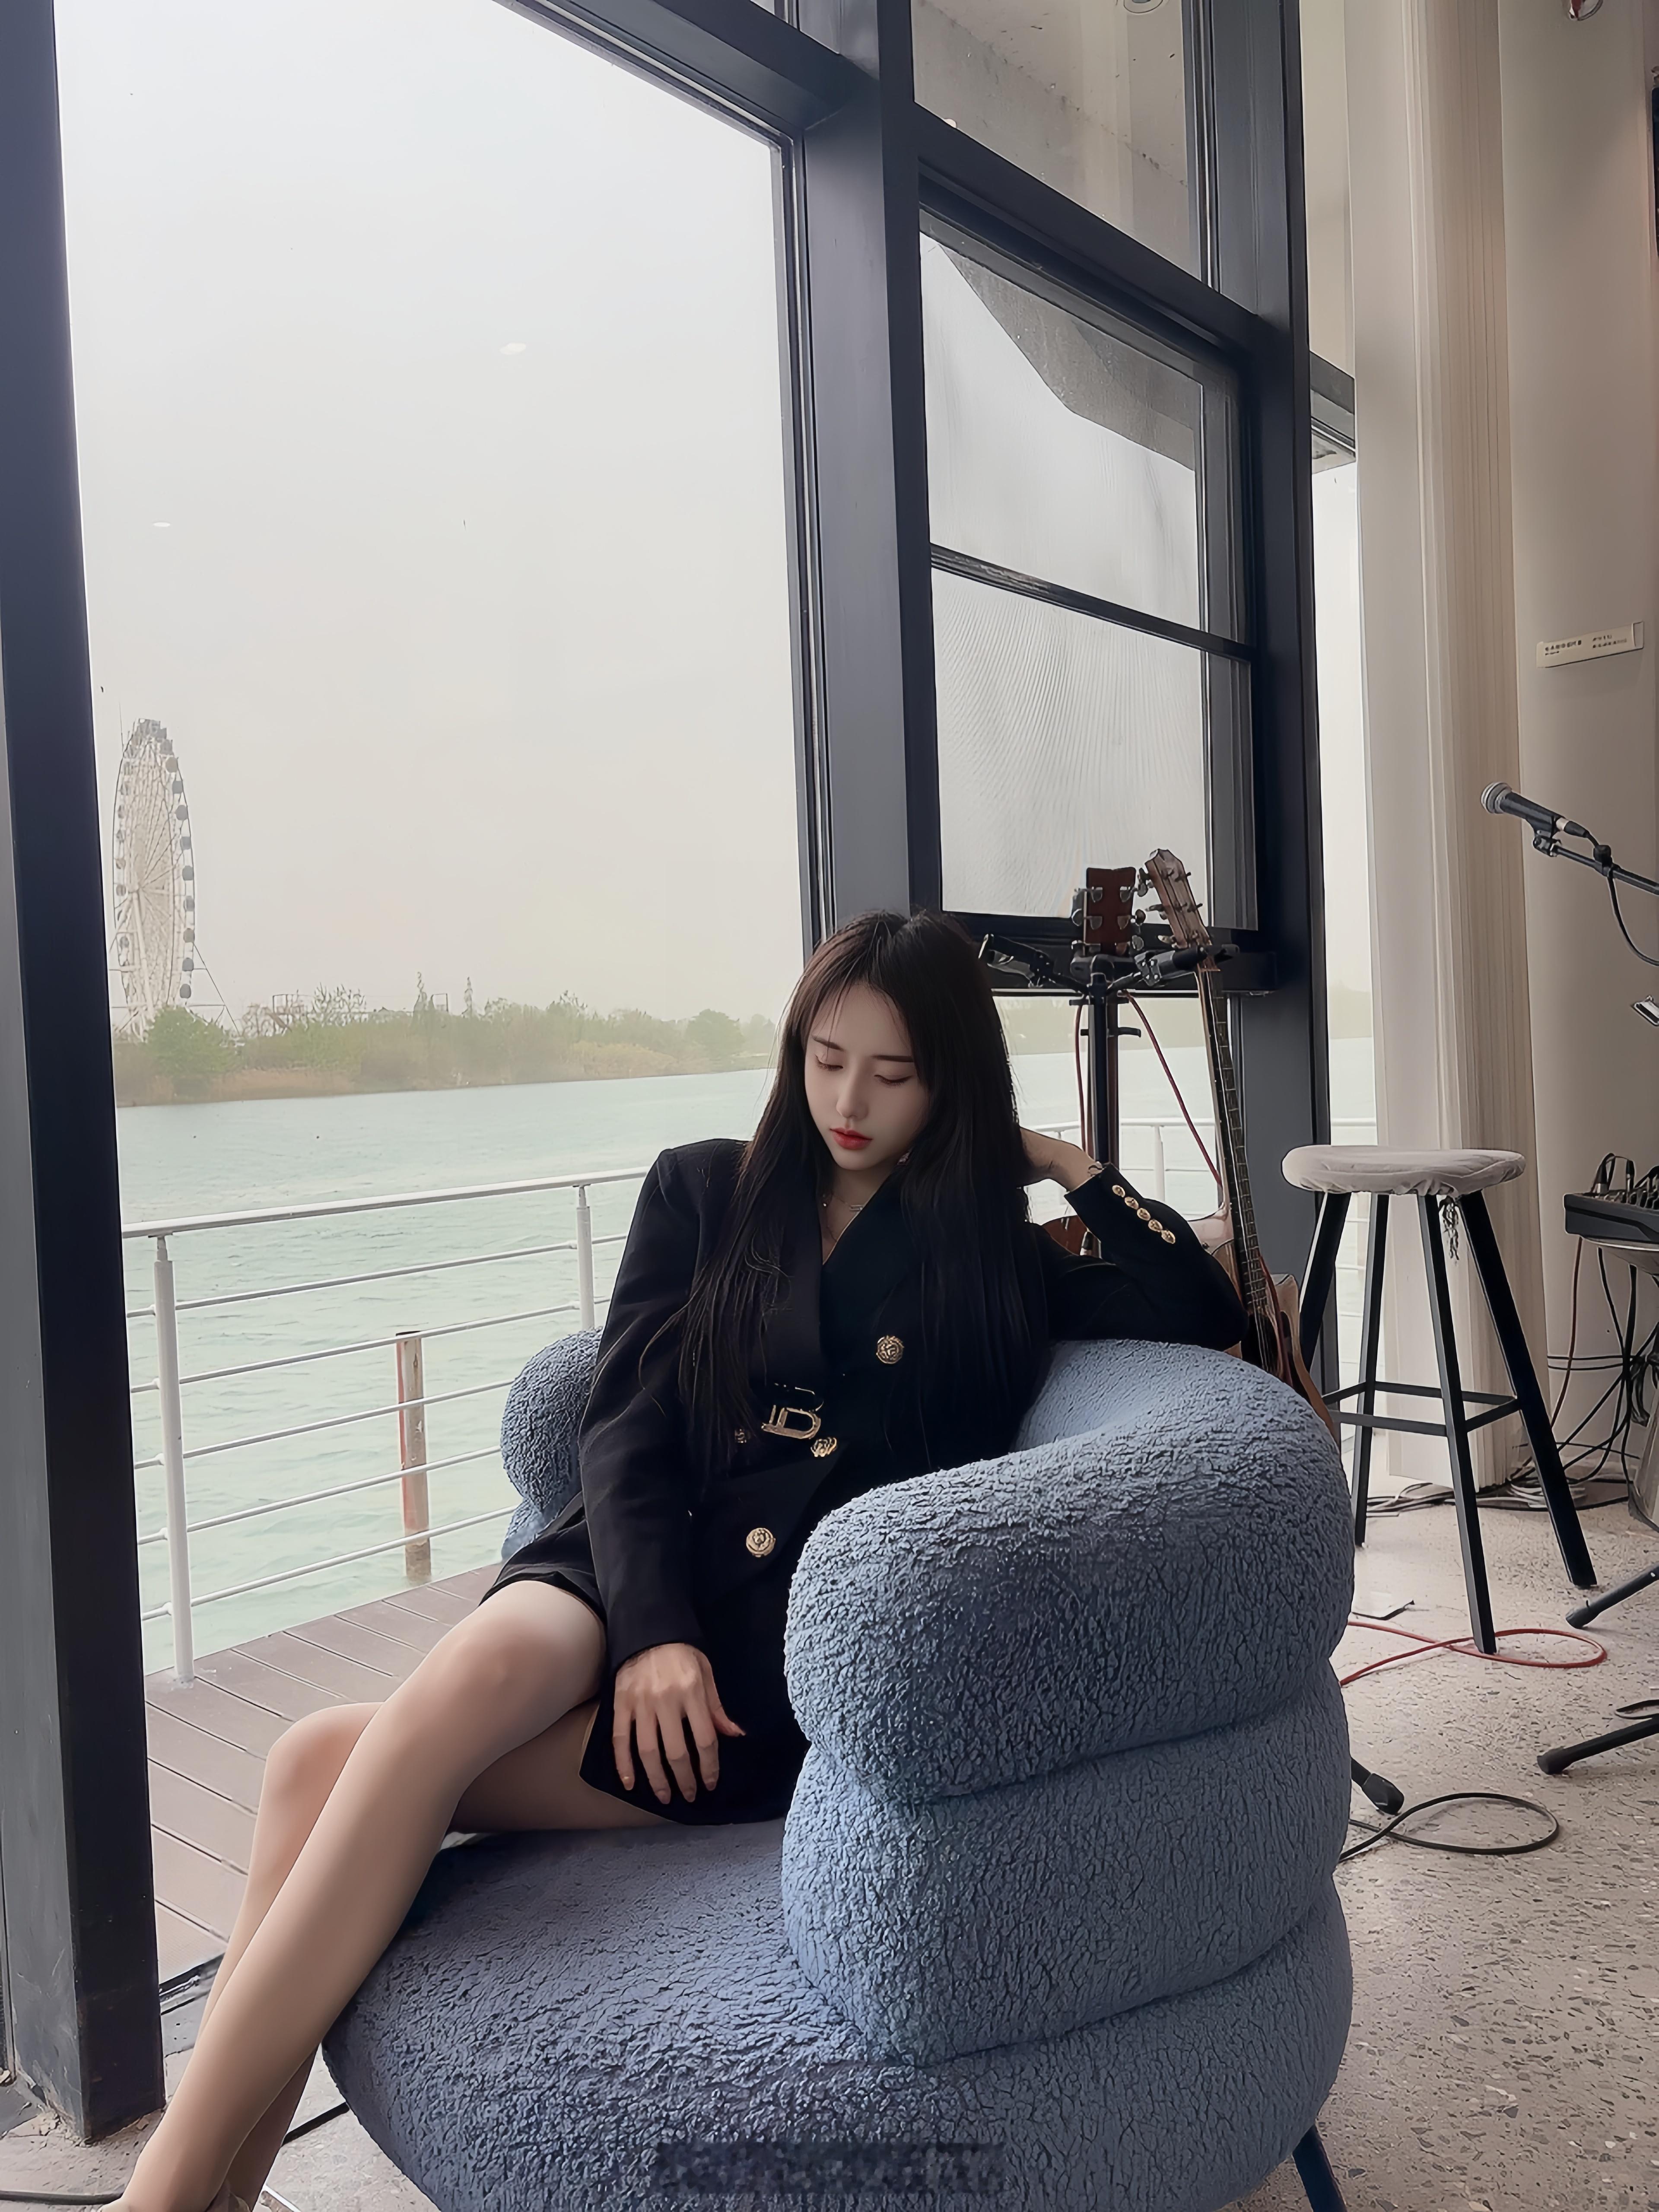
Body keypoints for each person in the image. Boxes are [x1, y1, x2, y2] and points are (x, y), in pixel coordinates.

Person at [114, 909, 1243, 2212]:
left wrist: (1058, 1162)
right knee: (454, 1685)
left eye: (894, 1073)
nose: (849, 1103)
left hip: (761, 1670)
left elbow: (1193, 1302)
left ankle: (183, 2197)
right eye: (826, 1060)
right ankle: (177, 2197)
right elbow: (625, 1427)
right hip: (625, 1565)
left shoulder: (989, 1258)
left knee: (313, 1761)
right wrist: (651, 1629)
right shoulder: (705, 1189)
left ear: (953, 1083)